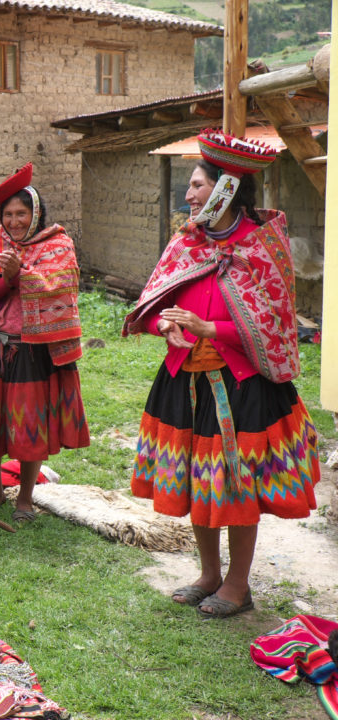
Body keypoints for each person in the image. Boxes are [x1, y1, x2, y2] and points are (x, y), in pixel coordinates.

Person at [124, 130, 319, 617]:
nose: (187, 195)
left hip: (242, 388)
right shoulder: (186, 243)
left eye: (196, 185)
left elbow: (274, 324)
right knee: (197, 479)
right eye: (189, 186)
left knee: (236, 483)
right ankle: (208, 572)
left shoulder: (262, 249)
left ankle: (238, 583)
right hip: (184, 381)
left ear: (226, 190)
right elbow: (149, 305)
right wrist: (163, 324)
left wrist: (210, 326)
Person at [0, 163, 90, 522]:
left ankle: (25, 497)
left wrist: (20, 274)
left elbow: (60, 289)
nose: (14, 221)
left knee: (30, 427)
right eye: (8, 214)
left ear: (36, 213)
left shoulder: (58, 245)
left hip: (33, 351)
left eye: (21, 213)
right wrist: (8, 280)